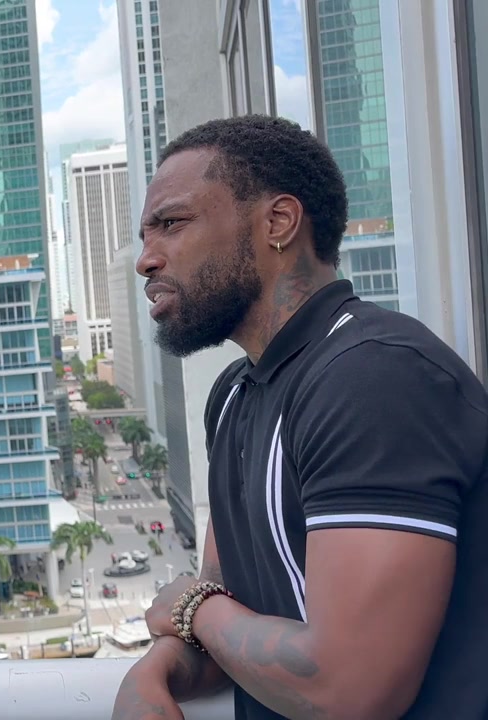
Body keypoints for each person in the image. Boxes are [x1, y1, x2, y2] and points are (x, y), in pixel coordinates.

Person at [114, 114, 488, 719]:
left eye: (172, 224)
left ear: (278, 223)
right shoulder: (234, 397)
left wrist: (191, 608)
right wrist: (155, 670)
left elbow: (349, 687)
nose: (146, 260)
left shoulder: (373, 377)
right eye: (145, 235)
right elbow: (227, 616)